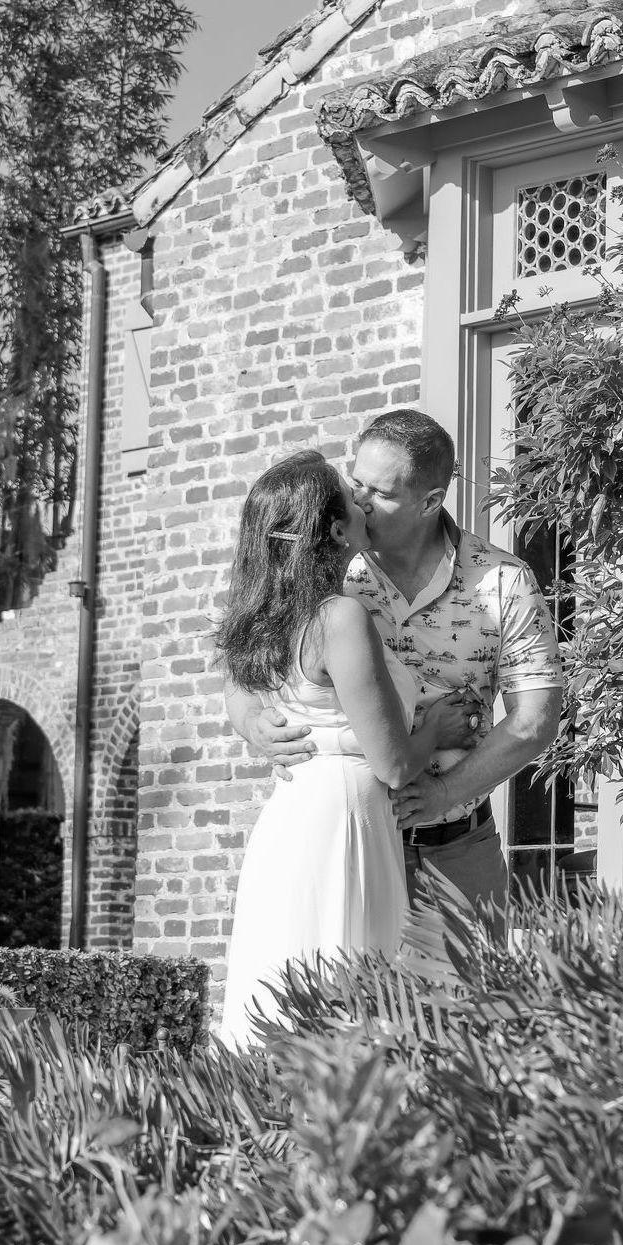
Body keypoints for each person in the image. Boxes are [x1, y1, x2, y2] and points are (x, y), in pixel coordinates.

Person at [227, 408, 566, 938]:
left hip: (456, 850)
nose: (359, 500)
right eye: (356, 482)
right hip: (343, 843)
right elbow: (247, 659)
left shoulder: (504, 582)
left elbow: (536, 719)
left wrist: (444, 793)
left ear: (430, 501)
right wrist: (252, 723)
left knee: (467, 994)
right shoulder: (327, 561)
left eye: (380, 492)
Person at [213, 449, 465, 1049]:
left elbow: (244, 690)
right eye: (351, 497)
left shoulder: (268, 614)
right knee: (349, 979)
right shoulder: (340, 616)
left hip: (292, 812)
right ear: (333, 531)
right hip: (346, 818)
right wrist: (436, 730)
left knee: (292, 972)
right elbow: (394, 765)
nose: (361, 501)